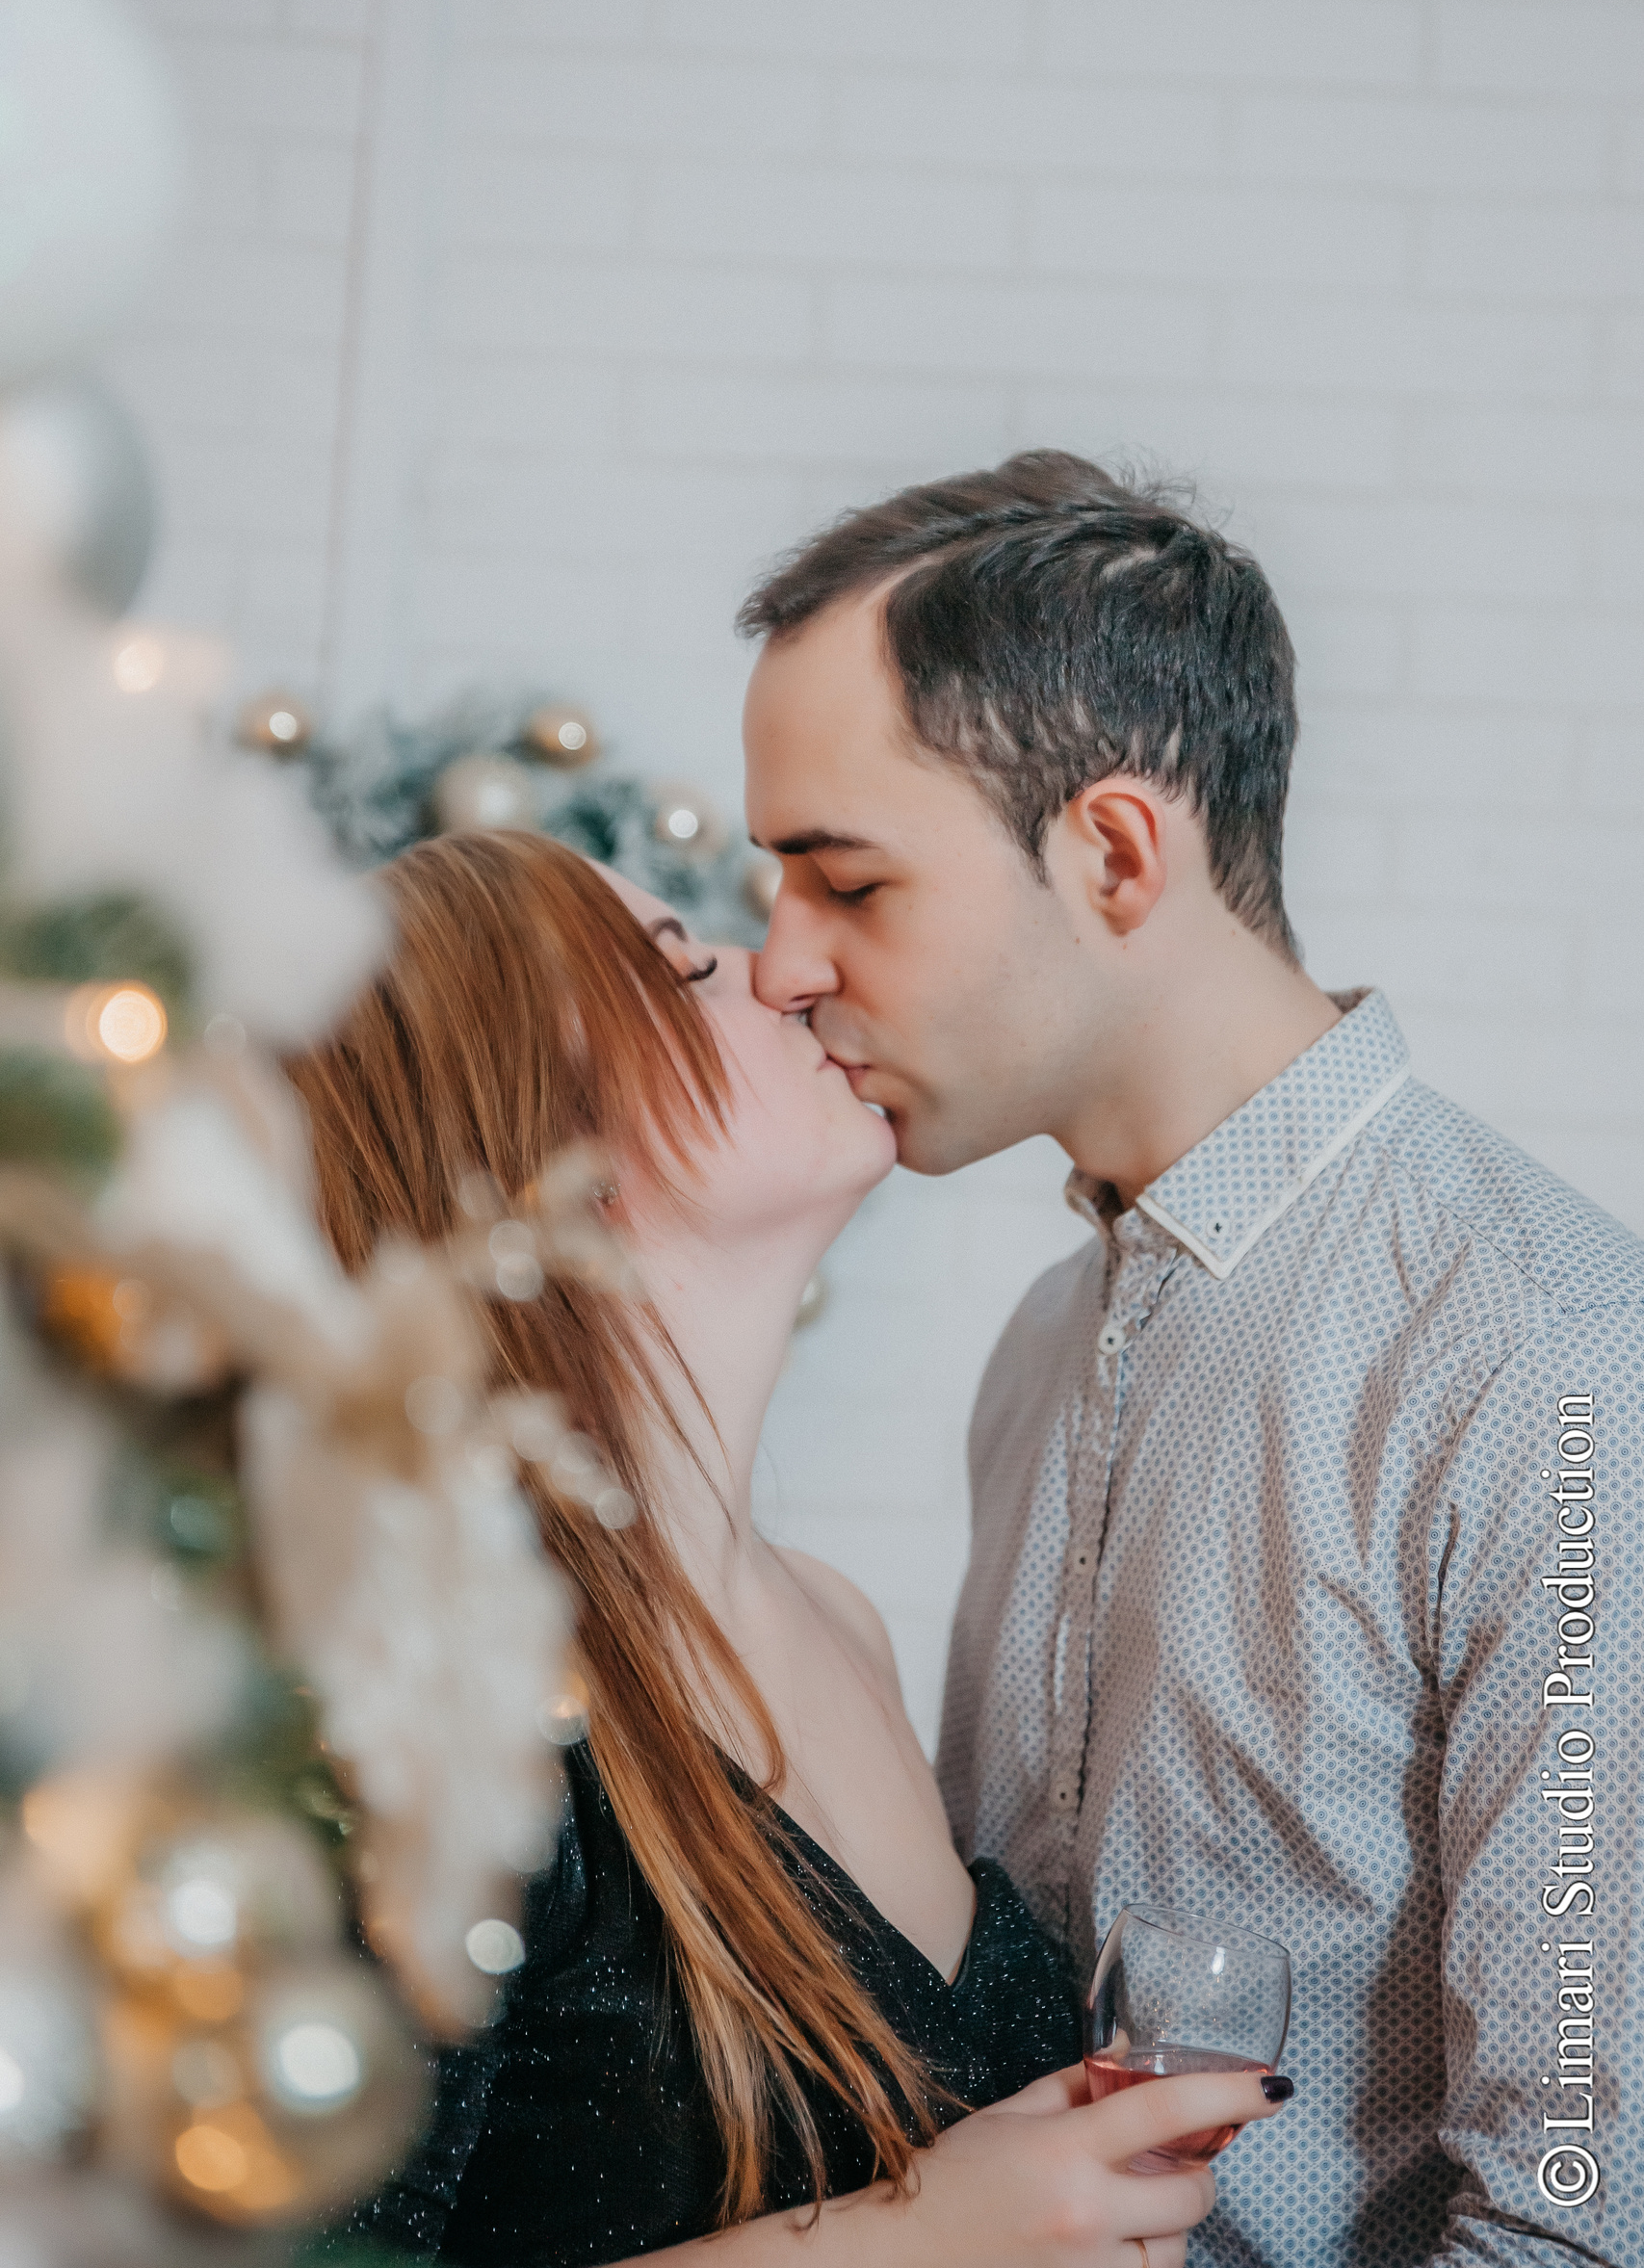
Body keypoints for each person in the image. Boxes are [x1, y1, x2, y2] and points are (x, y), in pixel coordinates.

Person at [737, 452, 1643, 2264]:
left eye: (848, 884)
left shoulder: (1553, 1365)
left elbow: (1580, 2218)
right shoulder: (1040, 1345)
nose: (780, 969)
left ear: (1114, 853)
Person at [288, 827, 1289, 2268]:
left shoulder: (838, 1621)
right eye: (682, 972)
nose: (780, 972)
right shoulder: (419, 1701)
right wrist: (928, 2234)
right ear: (542, 1155)